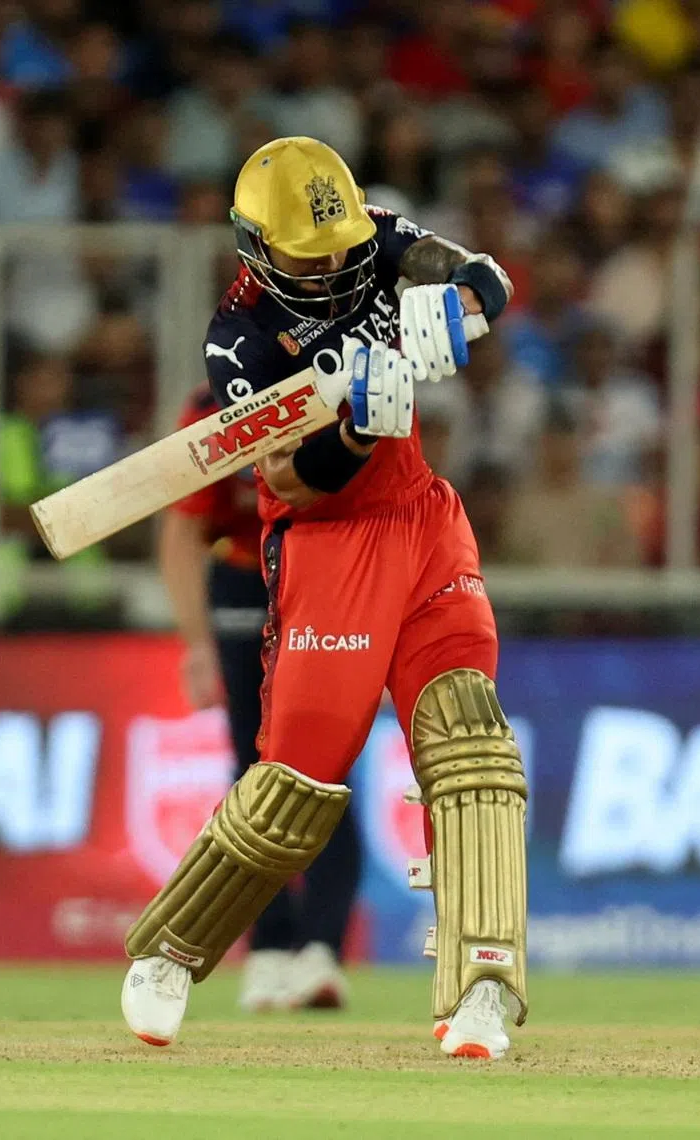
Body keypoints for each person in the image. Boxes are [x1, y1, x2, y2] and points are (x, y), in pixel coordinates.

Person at [121, 136, 529, 1061]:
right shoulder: (243, 338)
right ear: (258, 253)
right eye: (312, 259)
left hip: (423, 523)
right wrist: (353, 427)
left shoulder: (367, 241)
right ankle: (171, 952)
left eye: (343, 248)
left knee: (470, 744)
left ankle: (483, 987)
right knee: (296, 787)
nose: (336, 269)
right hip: (327, 546)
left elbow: (478, 275)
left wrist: (461, 310)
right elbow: (292, 482)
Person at [159, 384, 363, 1011]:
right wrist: (196, 646)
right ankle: (271, 949)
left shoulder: (346, 388)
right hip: (247, 582)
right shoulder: (213, 406)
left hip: (327, 581)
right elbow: (183, 531)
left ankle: (319, 951)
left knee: (323, 770)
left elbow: (380, 515)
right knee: (255, 770)